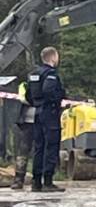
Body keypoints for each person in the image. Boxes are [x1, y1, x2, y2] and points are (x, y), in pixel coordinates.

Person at [27, 46, 66, 193]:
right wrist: (58, 99)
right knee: (51, 146)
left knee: (39, 147)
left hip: (37, 112)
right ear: (53, 57)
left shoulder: (34, 74)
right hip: (50, 112)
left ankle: (36, 181)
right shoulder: (51, 74)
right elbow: (49, 91)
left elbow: (28, 94)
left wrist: (37, 103)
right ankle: (48, 181)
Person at [10, 82, 35, 190]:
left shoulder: (26, 84)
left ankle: (35, 179)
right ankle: (19, 179)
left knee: (26, 151)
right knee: (23, 151)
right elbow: (23, 99)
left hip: (36, 121)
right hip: (28, 121)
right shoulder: (25, 85)